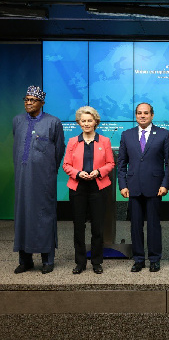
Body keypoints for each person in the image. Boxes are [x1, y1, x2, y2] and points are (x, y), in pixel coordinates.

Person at [13, 86, 65, 274]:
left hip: (44, 180)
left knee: (44, 217)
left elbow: (59, 150)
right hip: (22, 180)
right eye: (26, 99)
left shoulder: (53, 122)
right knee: (23, 216)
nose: (28, 103)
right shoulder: (17, 121)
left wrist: (49, 171)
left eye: (32, 100)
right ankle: (25, 260)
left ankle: (47, 261)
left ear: (42, 103)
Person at [117, 103, 169, 273]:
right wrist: (123, 185)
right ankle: (139, 259)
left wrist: (165, 184)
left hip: (155, 187)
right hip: (133, 187)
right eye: (139, 113)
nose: (142, 116)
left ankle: (155, 259)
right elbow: (121, 164)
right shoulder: (127, 135)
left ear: (152, 115)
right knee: (135, 225)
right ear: (135, 115)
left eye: (146, 113)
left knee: (154, 225)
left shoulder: (163, 134)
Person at [63, 106, 115, 274]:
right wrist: (78, 173)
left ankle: (96, 262)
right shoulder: (72, 141)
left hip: (98, 187)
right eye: (83, 121)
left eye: (89, 120)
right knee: (79, 227)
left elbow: (110, 164)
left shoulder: (104, 141)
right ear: (79, 122)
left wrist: (98, 172)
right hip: (77, 187)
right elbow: (66, 165)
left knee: (97, 227)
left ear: (95, 122)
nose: (86, 123)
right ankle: (80, 262)